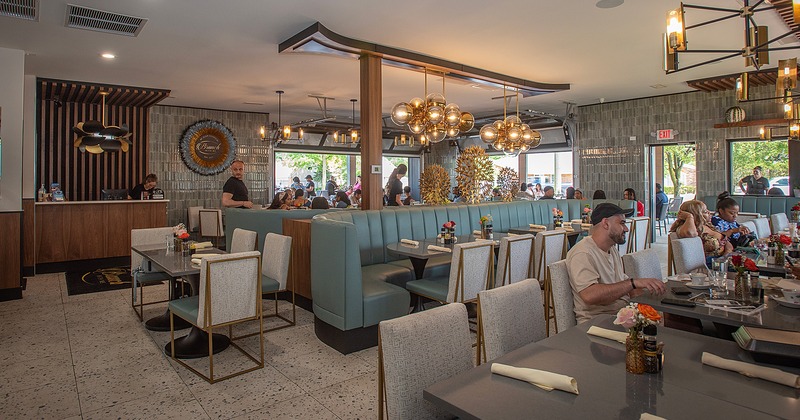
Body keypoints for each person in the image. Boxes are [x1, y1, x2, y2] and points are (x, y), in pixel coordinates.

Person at [566, 203, 667, 323]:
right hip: (598, 323)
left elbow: (623, 284)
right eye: (622, 223)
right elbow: (589, 295)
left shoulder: (611, 248)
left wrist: (645, 303)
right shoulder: (583, 253)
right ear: (606, 223)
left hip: (621, 315)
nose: (626, 229)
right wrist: (633, 283)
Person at [671, 200, 733, 264]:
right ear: (696, 215)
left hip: (724, 260)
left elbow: (727, 244)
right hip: (710, 266)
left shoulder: (708, 225)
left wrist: (726, 253)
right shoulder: (686, 228)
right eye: (705, 212)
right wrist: (689, 217)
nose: (709, 212)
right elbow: (690, 233)